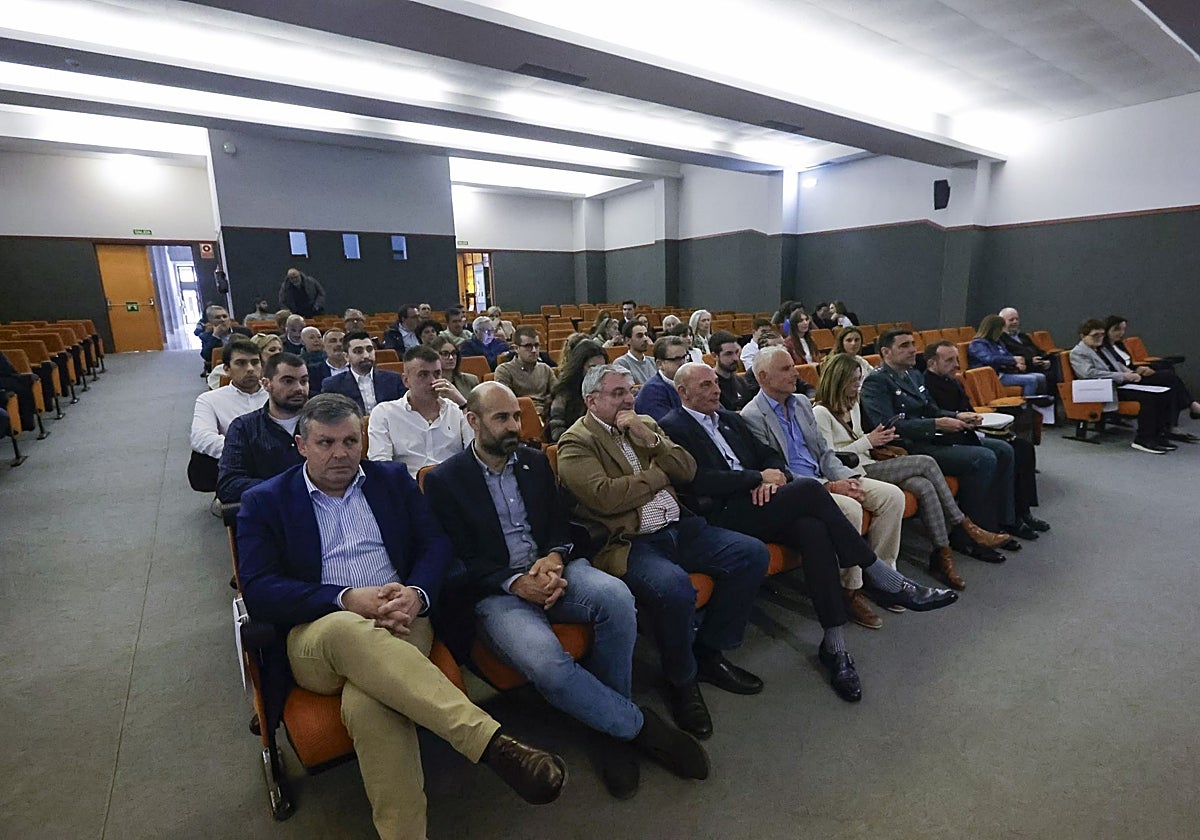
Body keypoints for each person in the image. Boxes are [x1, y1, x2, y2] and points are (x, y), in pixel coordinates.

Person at [236, 394, 566, 840]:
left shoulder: (390, 480)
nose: (340, 453)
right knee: (344, 628)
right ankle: (490, 743)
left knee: (371, 703)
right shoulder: (265, 501)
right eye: (325, 442)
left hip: (405, 618)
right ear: (301, 446)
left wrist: (415, 593)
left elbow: (436, 546)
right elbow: (259, 588)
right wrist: (346, 598)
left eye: (350, 441)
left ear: (364, 442)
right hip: (318, 635)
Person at [424, 383, 708, 799]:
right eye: (501, 418)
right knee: (549, 666)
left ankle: (608, 725)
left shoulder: (535, 463)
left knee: (617, 598)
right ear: (473, 421)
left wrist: (555, 558)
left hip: (554, 569)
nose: (513, 427)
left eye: (517, 417)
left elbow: (561, 525)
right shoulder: (446, 480)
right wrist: (515, 581)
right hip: (498, 591)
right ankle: (636, 727)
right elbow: (458, 560)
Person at [662, 363, 957, 701]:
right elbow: (697, 480)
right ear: (683, 392)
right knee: (810, 490)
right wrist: (757, 479)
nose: (716, 389)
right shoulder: (673, 427)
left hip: (761, 503)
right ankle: (882, 577)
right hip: (722, 513)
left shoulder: (728, 419)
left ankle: (835, 644)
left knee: (813, 529)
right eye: (705, 385)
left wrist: (773, 472)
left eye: (715, 383)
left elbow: (768, 454)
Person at [556, 364, 770, 740]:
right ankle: (682, 679)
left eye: (630, 391)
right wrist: (659, 475)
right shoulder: (577, 441)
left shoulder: (642, 424)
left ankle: (709, 651)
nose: (628, 400)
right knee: (673, 589)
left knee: (750, 554)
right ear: (592, 400)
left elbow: (686, 468)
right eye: (617, 393)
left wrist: (650, 440)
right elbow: (606, 497)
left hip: (679, 527)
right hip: (630, 540)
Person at [742, 346, 908, 630]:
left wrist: (847, 479)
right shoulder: (752, 416)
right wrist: (831, 485)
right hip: (803, 488)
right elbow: (779, 471)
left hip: (830, 474)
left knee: (893, 497)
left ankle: (883, 577)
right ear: (763, 377)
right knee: (851, 509)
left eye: (793, 366)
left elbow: (824, 453)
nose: (795, 372)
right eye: (785, 369)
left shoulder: (802, 404)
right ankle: (850, 589)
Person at [812, 353, 1013, 584]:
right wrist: (869, 441)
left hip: (870, 462)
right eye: (853, 381)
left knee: (923, 485)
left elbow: (861, 436)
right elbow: (830, 457)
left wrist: (874, 440)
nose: (858, 386)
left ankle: (942, 554)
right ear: (838, 381)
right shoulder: (820, 413)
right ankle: (964, 525)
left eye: (859, 379)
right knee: (925, 462)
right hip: (854, 471)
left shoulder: (852, 404)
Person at [860, 330, 1020, 542]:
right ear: (885, 351)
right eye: (904, 346)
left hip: (932, 437)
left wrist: (957, 415)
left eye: (912, 344)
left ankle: (1005, 520)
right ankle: (973, 535)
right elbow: (889, 424)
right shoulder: (877, 382)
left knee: (1003, 449)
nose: (912, 350)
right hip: (909, 447)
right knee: (983, 458)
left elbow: (930, 408)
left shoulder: (912, 375)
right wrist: (935, 424)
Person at [924, 341, 1049, 534]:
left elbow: (968, 409)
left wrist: (975, 419)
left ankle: (1021, 512)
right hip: (948, 438)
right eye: (949, 360)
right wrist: (961, 418)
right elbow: (934, 415)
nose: (957, 364)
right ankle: (1003, 520)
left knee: (1023, 447)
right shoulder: (925, 385)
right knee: (1001, 451)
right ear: (932, 362)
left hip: (969, 431)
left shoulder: (954, 381)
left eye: (956, 358)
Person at [1070, 319, 1177, 454]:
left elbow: (1116, 364)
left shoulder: (1101, 349)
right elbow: (1088, 373)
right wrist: (1123, 376)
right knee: (1148, 398)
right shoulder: (1078, 352)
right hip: (1101, 389)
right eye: (1095, 335)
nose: (1099, 338)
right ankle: (1143, 439)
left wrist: (1130, 372)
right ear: (1083, 336)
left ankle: (1158, 435)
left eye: (1102, 335)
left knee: (1163, 393)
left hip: (1116, 385)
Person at [367, 345, 473, 478]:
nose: (432, 381)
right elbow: (381, 465)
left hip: (453, 486)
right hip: (408, 489)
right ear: (406, 381)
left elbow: (476, 453)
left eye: (437, 374)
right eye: (423, 375)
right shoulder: (384, 413)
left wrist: (463, 403)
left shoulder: (456, 410)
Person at [217, 352, 309, 503]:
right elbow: (228, 485)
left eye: (304, 381)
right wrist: (286, 488)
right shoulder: (244, 427)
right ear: (266, 384)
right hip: (273, 511)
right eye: (288, 381)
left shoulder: (321, 421)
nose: (299, 388)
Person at [1103, 315, 1200, 438]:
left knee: (1169, 375)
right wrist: (1135, 371)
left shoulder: (1120, 345)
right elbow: (1116, 368)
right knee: (1169, 378)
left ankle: (1173, 422)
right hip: (1127, 379)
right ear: (1107, 330)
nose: (1121, 333)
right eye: (1117, 329)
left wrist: (1139, 368)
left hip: (1134, 373)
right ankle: (1191, 407)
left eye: (1123, 329)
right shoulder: (1104, 349)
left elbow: (1129, 364)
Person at [190, 339, 267, 463]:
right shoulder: (209, 399)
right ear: (226, 369)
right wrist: (248, 450)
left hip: (276, 462)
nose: (250, 369)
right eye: (241, 363)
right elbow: (201, 438)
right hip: (235, 462)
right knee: (200, 461)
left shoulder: (276, 394)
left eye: (255, 362)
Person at [321, 331, 406, 412]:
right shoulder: (332, 385)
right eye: (358, 351)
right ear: (346, 356)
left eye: (369, 349)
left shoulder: (395, 380)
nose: (366, 355)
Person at [545, 339, 606, 444]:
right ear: (579, 368)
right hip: (577, 446)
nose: (598, 373)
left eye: (602, 368)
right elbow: (556, 433)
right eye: (592, 368)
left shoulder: (608, 393)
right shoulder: (563, 395)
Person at [969, 315, 1047, 396]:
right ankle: (1026, 406)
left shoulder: (998, 342)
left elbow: (1007, 355)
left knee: (1040, 377)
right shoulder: (978, 344)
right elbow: (989, 359)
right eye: (1000, 329)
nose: (1002, 331)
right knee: (1031, 380)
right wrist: (1013, 360)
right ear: (993, 329)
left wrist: (1017, 364)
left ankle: (1039, 404)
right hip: (992, 376)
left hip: (1004, 372)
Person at [494, 326, 556, 419]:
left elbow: (558, 393)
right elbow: (506, 401)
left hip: (547, 414)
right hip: (520, 417)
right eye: (528, 346)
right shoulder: (504, 370)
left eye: (536, 345)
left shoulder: (545, 368)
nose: (534, 350)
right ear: (516, 348)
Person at [997, 307, 1058, 387]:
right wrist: (1030, 361)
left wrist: (1045, 360)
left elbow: (1037, 350)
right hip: (1021, 368)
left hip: (1038, 365)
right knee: (1048, 375)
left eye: (1017, 319)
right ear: (1002, 322)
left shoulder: (1023, 336)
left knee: (1057, 363)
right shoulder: (1000, 339)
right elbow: (1009, 356)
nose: (1015, 322)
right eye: (1011, 320)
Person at [632, 335, 688, 421]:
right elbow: (670, 426)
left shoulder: (690, 382)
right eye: (676, 359)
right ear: (660, 364)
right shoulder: (652, 391)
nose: (683, 363)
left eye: (684, 357)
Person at [709, 330, 758, 412]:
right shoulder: (710, 386)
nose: (735, 358)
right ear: (714, 356)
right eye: (729, 354)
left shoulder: (741, 382)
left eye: (736, 352)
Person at [431, 337, 477, 404]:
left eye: (453, 353)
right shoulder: (431, 384)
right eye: (445, 354)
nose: (451, 358)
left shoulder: (471, 380)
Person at [308, 329, 347, 393]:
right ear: (323, 347)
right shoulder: (313, 371)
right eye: (333, 341)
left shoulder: (357, 368)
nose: (339, 344)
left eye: (342, 341)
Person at [198, 305, 232, 372]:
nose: (222, 320)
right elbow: (206, 356)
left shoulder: (243, 331)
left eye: (225, 316)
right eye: (218, 317)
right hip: (220, 369)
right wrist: (215, 336)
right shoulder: (206, 336)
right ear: (211, 322)